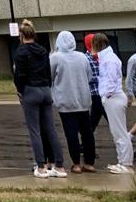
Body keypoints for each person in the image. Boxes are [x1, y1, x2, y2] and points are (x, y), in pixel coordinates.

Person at [13, 20, 66, 178]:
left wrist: (20, 90)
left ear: (21, 35)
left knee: (35, 130)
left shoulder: (21, 52)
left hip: (31, 90)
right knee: (50, 129)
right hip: (45, 89)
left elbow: (19, 75)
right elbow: (47, 71)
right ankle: (59, 165)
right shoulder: (42, 50)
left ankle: (41, 166)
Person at [50, 31, 95, 172]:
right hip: (83, 99)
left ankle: (76, 164)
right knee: (87, 133)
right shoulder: (82, 57)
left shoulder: (55, 58)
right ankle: (89, 162)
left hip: (66, 101)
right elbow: (89, 76)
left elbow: (49, 76)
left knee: (71, 133)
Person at [93, 34, 132, 174]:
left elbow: (110, 79)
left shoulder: (109, 60)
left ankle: (126, 164)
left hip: (113, 97)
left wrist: (106, 96)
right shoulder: (108, 57)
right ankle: (122, 161)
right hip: (113, 97)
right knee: (117, 132)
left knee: (120, 132)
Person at [84, 33, 104, 139]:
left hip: (103, 92)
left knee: (93, 121)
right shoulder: (86, 58)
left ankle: (84, 145)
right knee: (112, 119)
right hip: (95, 93)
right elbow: (88, 77)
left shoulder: (101, 56)